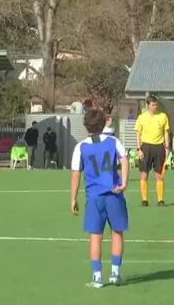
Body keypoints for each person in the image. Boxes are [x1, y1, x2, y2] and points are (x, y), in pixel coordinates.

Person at [71, 109, 129, 288]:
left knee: (95, 237)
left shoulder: (81, 147)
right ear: (104, 124)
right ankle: (115, 273)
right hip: (114, 194)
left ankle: (97, 277)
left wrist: (73, 198)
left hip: (94, 197)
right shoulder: (113, 142)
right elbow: (125, 159)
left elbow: (75, 174)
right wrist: (124, 182)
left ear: (86, 125)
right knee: (117, 232)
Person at [135, 95, 170, 206]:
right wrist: (139, 149)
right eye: (153, 105)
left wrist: (167, 147)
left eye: (156, 104)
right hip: (146, 147)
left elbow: (166, 132)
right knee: (144, 174)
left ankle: (160, 200)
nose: (155, 106)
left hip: (159, 147)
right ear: (148, 105)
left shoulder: (163, 116)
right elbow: (138, 134)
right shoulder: (141, 117)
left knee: (159, 175)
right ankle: (144, 200)